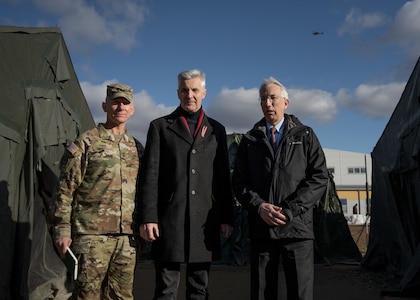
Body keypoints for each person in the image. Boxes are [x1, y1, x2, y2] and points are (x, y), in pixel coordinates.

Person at [135, 69, 234, 299]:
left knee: (199, 289)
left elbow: (222, 178)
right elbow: (150, 176)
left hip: (204, 222)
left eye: (195, 90)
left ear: (204, 93)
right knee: (165, 289)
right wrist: (149, 217)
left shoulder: (217, 130)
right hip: (169, 220)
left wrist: (227, 217)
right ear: (178, 93)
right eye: (184, 90)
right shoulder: (160, 127)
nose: (189, 95)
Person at [232, 77, 328, 300]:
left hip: (297, 230)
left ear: (286, 102)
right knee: (263, 293)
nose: (267, 103)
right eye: (263, 98)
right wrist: (259, 207)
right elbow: (239, 182)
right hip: (262, 230)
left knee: (300, 294)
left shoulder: (305, 136)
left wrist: (290, 209)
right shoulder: (249, 140)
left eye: (272, 98)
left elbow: (319, 178)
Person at [53, 83, 143, 299]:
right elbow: (65, 188)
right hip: (91, 237)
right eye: (115, 102)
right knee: (88, 295)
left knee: (122, 296)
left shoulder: (137, 147)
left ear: (132, 109)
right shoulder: (86, 142)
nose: (120, 107)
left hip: (126, 239)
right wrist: (62, 229)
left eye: (125, 103)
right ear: (105, 106)